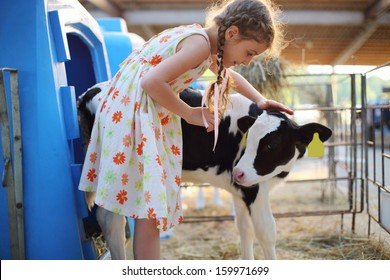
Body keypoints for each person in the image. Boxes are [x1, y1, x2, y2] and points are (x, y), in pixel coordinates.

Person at [78, 0, 293, 260]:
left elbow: (230, 78)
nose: (248, 61)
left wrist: (259, 100)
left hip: (133, 112)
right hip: (137, 114)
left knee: (150, 209)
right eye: (249, 52)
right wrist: (190, 113)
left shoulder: (205, 43)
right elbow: (151, 82)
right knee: (150, 208)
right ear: (232, 33)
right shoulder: (199, 45)